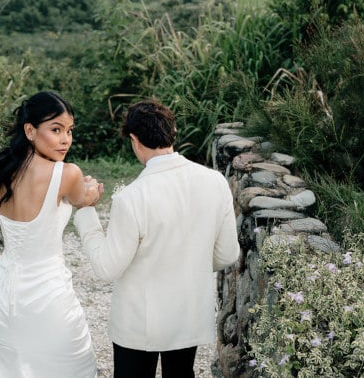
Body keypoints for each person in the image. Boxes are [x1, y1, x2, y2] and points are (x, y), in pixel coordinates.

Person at [74, 99, 240, 378]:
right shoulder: (215, 182)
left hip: (140, 323)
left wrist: (86, 212)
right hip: (188, 316)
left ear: (134, 140)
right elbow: (227, 254)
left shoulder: (132, 197)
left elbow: (106, 268)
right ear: (173, 133)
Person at [0, 91, 103, 378]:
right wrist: (92, 191)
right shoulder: (68, 174)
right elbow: (83, 198)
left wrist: (7, 272)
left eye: (69, 131)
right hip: (49, 294)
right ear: (30, 130)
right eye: (56, 130)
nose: (65, 139)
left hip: (5, 295)